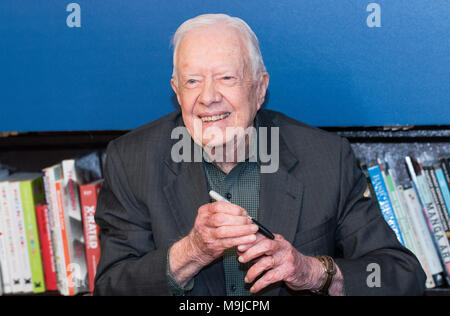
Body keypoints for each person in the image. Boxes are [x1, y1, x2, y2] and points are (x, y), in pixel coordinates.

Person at [93, 13, 426, 296]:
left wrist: (313, 272)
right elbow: (110, 287)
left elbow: (401, 275)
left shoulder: (326, 159)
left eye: (227, 77)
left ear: (260, 88)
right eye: (192, 81)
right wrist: (189, 252)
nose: (208, 97)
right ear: (176, 91)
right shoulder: (132, 161)